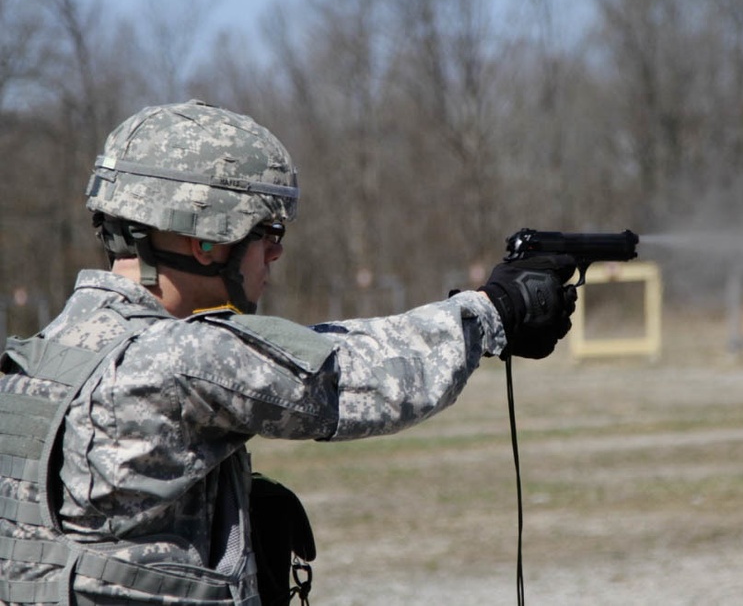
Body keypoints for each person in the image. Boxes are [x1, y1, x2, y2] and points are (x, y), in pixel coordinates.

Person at [0, 100, 576, 605]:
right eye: (267, 233)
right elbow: (355, 377)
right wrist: (494, 311)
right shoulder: (173, 362)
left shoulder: (40, 356)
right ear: (207, 240)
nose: (275, 254)